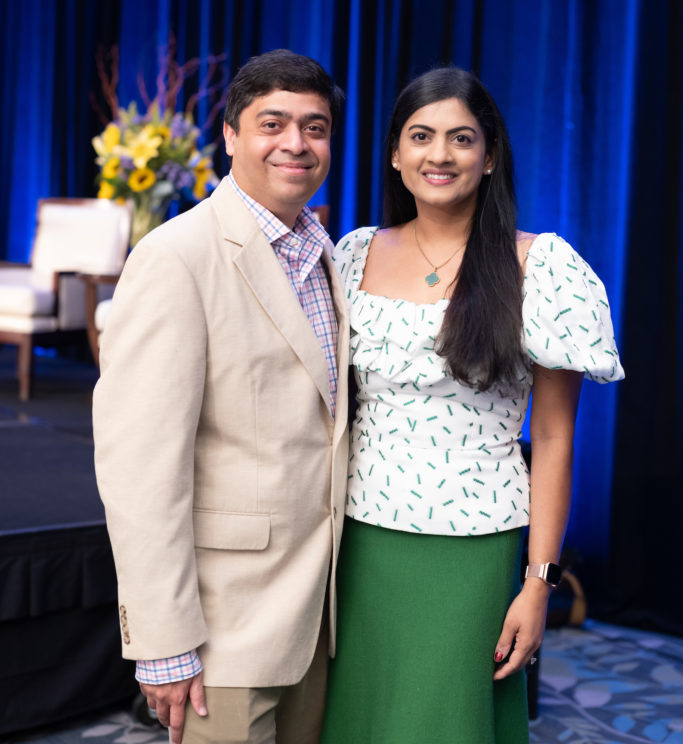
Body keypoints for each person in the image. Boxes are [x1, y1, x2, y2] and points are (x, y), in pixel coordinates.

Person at [319, 66, 624, 744]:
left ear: (489, 157)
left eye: (461, 138)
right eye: (420, 136)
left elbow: (551, 440)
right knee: (360, 719)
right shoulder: (351, 254)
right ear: (395, 153)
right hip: (356, 538)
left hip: (472, 544)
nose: (440, 154)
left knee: (443, 725)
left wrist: (538, 581)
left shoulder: (540, 267)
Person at [93, 49, 349, 744]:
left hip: (317, 618)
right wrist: (164, 641)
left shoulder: (327, 254)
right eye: (272, 123)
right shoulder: (176, 257)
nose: (295, 143)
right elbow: (140, 468)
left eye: (315, 126)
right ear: (230, 135)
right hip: (221, 632)